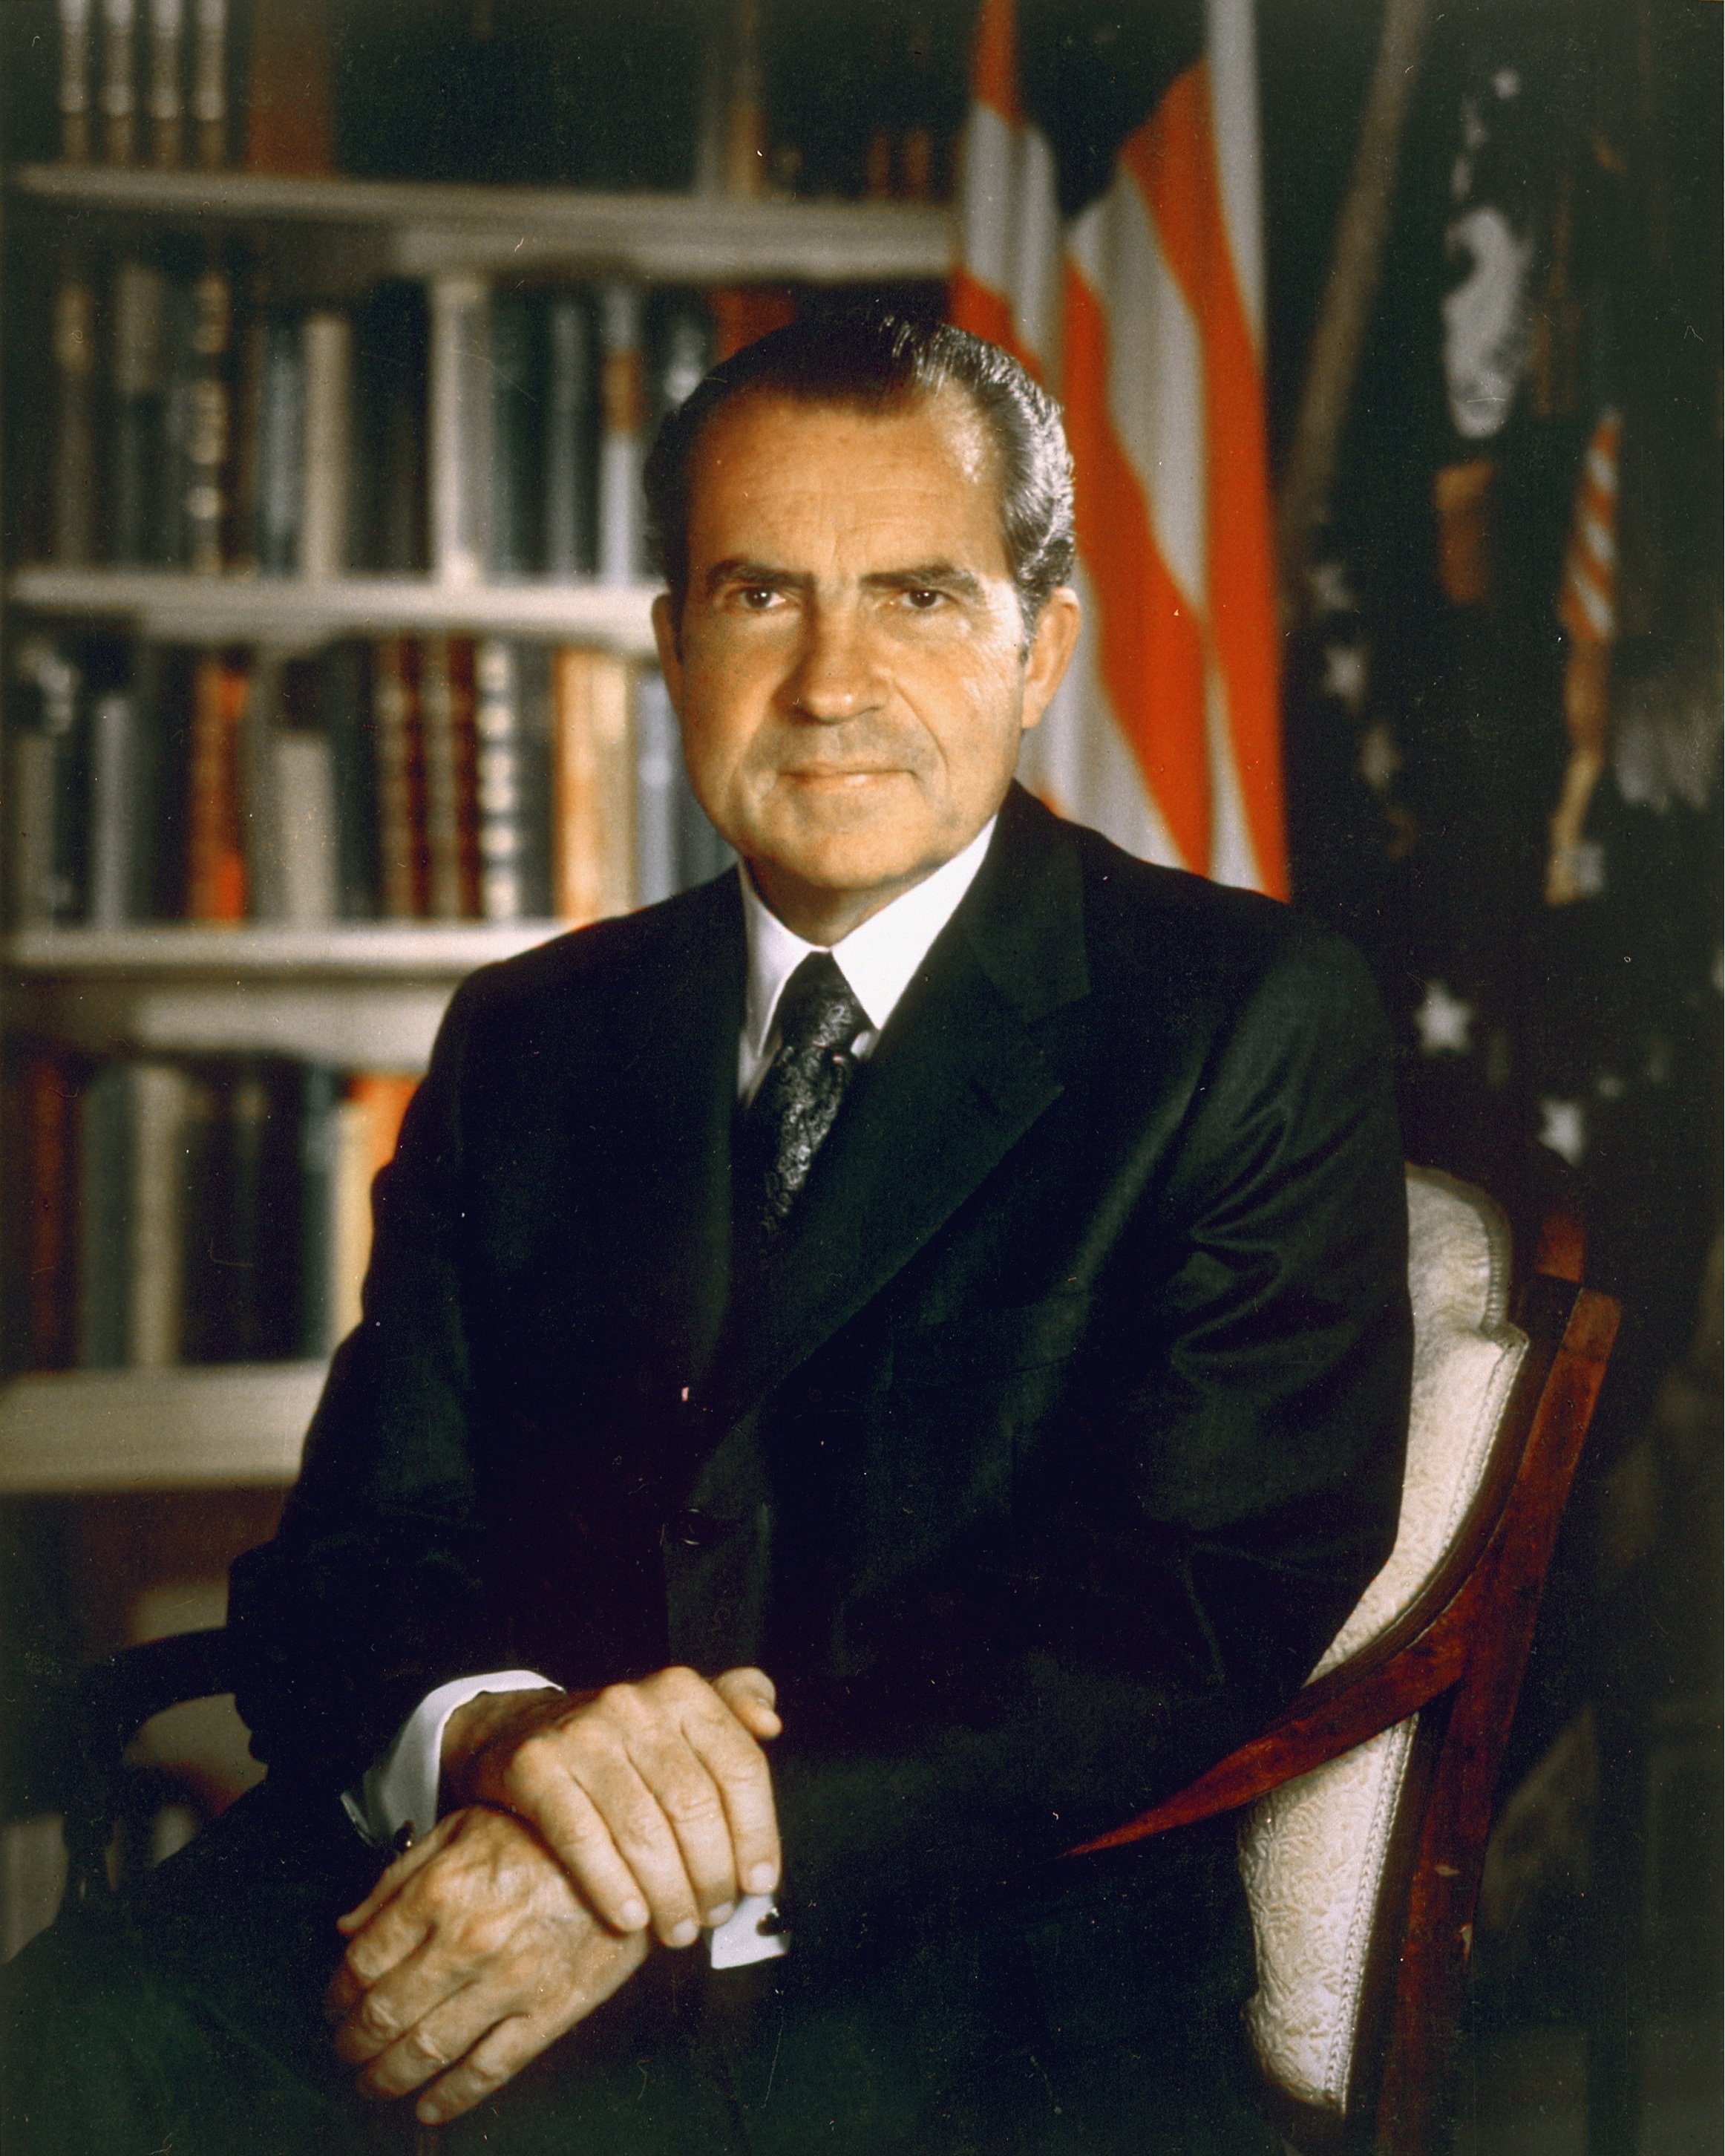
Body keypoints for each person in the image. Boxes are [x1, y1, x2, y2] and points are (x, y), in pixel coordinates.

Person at [2, 311, 1411, 2156]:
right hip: (466, 1851)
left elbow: (1186, 1612)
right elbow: (356, 1549)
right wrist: (502, 1744)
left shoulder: (1238, 1018)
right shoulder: (528, 1035)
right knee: (63, 2043)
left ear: (1040, 650)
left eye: (917, 597)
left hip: (943, 1955)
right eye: (761, 597)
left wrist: (660, 1868)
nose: (831, 682)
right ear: (673, 648)